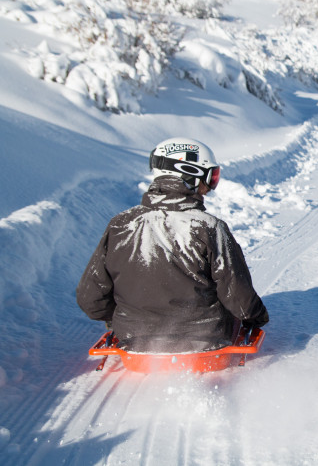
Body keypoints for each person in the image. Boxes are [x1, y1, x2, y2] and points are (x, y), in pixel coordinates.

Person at [76, 138, 268, 353]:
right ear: (190, 174)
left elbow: (90, 299)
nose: (209, 187)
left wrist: (123, 318)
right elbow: (239, 298)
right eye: (210, 177)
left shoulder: (120, 225)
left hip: (133, 342)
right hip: (205, 343)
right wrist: (257, 318)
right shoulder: (208, 227)